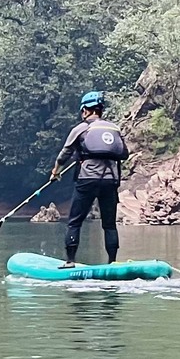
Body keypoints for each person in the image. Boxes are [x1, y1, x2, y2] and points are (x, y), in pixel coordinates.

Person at [53, 90, 129, 266]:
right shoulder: (114, 128)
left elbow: (64, 155)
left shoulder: (81, 128)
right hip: (111, 181)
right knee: (109, 224)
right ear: (100, 110)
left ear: (86, 110)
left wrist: (56, 172)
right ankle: (112, 262)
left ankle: (70, 261)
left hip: (87, 180)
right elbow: (124, 153)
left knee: (74, 221)